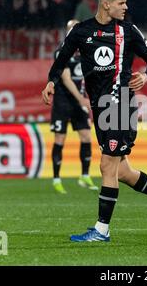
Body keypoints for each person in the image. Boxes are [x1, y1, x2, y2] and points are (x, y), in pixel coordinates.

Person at [42, 0, 147, 242]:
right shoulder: (81, 31)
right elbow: (60, 60)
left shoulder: (128, 31)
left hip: (121, 105)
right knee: (122, 171)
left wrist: (145, 75)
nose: (126, 7)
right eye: (122, 3)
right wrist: (52, 81)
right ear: (106, 4)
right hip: (100, 107)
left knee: (107, 165)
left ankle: (101, 230)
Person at [50, 19, 98, 194]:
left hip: (80, 102)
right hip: (63, 102)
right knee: (59, 140)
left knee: (86, 137)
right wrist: (81, 99)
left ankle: (84, 176)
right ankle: (56, 179)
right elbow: (66, 78)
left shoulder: (86, 52)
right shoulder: (61, 52)